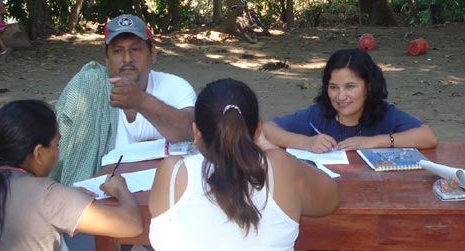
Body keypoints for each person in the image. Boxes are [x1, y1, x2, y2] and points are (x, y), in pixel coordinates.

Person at [149, 78, 338, 251]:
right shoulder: (280, 167)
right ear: (257, 130)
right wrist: (268, 147)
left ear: (196, 132)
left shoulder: (172, 172)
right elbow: (330, 198)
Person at [0, 100, 143, 251]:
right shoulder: (46, 196)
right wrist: (121, 189)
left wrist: (67, 197)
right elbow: (132, 225)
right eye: (56, 144)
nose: (57, 151)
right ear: (39, 153)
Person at [53, 14, 196, 187]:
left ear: (153, 54)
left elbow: (191, 133)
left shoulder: (175, 86)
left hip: (163, 192)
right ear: (106, 59)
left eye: (135, 49)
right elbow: (56, 153)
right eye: (117, 51)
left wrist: (141, 101)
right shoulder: (89, 88)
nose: (127, 59)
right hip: (99, 198)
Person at [262, 48, 438, 153]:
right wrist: (306, 142)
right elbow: (268, 129)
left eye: (350, 87)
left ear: (368, 86)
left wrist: (375, 141)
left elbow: (428, 137)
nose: (340, 96)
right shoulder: (319, 113)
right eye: (333, 87)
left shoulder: (384, 114)